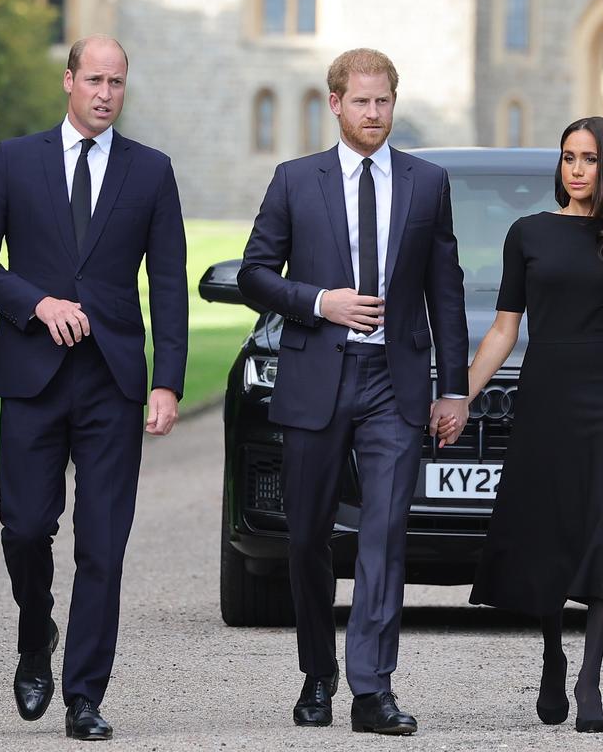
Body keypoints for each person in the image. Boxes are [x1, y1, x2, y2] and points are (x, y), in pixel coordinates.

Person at [0, 35, 188, 741]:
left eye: (116, 82)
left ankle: (85, 695)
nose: (105, 93)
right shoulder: (15, 160)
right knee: (25, 529)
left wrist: (167, 382)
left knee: (104, 545)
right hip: (31, 373)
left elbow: (169, 286)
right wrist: (35, 303)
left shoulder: (151, 172)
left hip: (111, 381)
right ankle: (35, 632)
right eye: (94, 79)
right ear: (68, 80)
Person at [237, 48, 469, 735]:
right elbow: (254, 273)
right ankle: (318, 672)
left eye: (384, 102)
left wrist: (452, 389)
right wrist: (319, 302)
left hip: (393, 386)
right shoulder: (293, 181)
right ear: (334, 103)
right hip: (315, 378)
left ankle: (372, 689)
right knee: (307, 536)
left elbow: (446, 294)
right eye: (361, 101)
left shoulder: (428, 183)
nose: (374, 114)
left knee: (386, 533)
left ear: (394, 103)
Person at [440, 116, 603, 733]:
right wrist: (460, 397)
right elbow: (505, 329)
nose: (575, 170)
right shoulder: (527, 234)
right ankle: (554, 653)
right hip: (546, 395)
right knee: (550, 528)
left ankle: (589, 677)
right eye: (567, 158)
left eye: (588, 159)